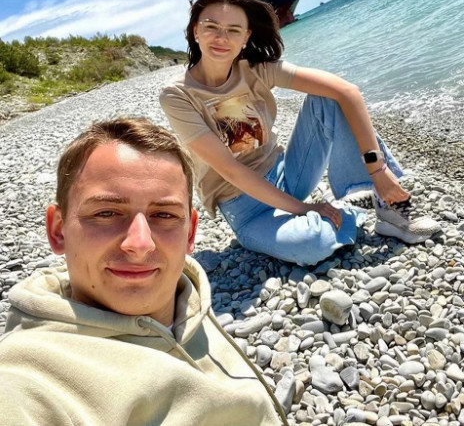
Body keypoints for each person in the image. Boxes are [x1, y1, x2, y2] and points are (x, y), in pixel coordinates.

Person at [0, 118, 286, 426]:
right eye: (106, 213)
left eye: (164, 215)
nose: (139, 244)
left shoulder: (189, 302)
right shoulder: (28, 380)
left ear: (190, 233)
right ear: (58, 231)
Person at [160, 0, 441, 267]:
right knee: (312, 244)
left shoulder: (257, 70)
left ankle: (388, 204)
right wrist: (304, 208)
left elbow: (347, 92)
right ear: (196, 31)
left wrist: (377, 170)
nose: (222, 38)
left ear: (246, 37)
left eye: (234, 30)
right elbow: (231, 170)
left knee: (328, 98)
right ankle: (345, 209)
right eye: (211, 27)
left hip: (289, 176)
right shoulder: (178, 95)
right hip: (245, 207)